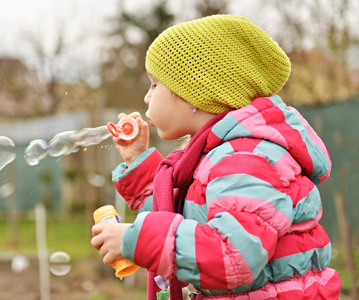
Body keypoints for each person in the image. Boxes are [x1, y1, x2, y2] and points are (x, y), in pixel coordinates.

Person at [91, 15, 341, 299]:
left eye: (154, 85)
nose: (147, 98)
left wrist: (135, 238)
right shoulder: (220, 154)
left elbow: (232, 254)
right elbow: (179, 213)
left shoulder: (247, 158)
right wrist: (137, 160)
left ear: (194, 93)